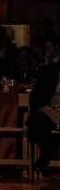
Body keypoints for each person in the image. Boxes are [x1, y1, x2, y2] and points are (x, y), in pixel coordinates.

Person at [28, 33, 60, 174]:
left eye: (49, 47)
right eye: (45, 47)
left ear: (57, 48)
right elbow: (37, 94)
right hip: (50, 109)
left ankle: (47, 153)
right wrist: (46, 109)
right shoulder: (47, 67)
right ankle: (46, 154)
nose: (46, 50)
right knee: (37, 121)